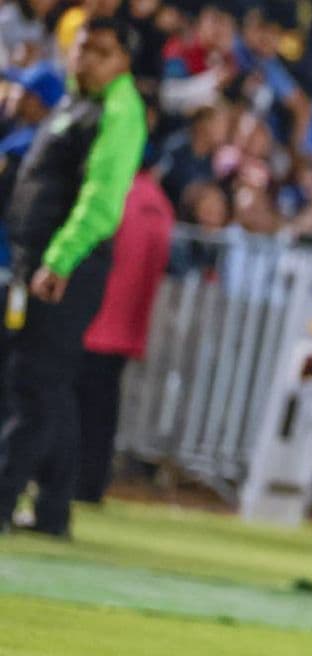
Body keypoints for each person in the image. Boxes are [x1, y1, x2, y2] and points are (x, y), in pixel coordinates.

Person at [0, 18, 145, 536]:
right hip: (38, 261)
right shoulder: (75, 100)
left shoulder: (118, 111)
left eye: (99, 52)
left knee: (34, 384)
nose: (84, 60)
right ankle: (54, 508)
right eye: (81, 48)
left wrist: (59, 260)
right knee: (48, 385)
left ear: (121, 62)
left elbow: (101, 201)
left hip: (65, 266)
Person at [74, 156, 172, 504]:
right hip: (128, 327)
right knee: (104, 409)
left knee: (79, 408)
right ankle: (92, 482)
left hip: (96, 320)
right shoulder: (158, 204)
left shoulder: (118, 195)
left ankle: (76, 482)